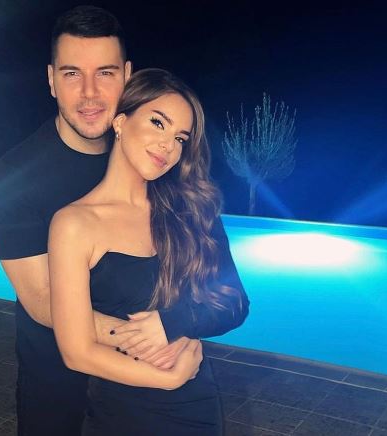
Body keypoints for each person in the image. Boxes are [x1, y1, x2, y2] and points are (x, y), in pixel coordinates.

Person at [0, 6, 248, 436]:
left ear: (127, 76)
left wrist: (179, 324)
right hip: (56, 386)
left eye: (105, 73)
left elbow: (216, 290)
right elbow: (44, 300)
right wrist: (157, 339)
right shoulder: (14, 179)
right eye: (72, 73)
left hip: (158, 397)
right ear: (51, 79)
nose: (89, 93)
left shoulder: (154, 165)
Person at [48, 68, 248, 436]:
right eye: (158, 123)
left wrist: (173, 323)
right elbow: (76, 351)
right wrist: (167, 379)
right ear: (120, 122)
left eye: (180, 138)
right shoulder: (73, 223)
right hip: (119, 413)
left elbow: (234, 303)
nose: (168, 146)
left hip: (195, 409)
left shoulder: (191, 210)